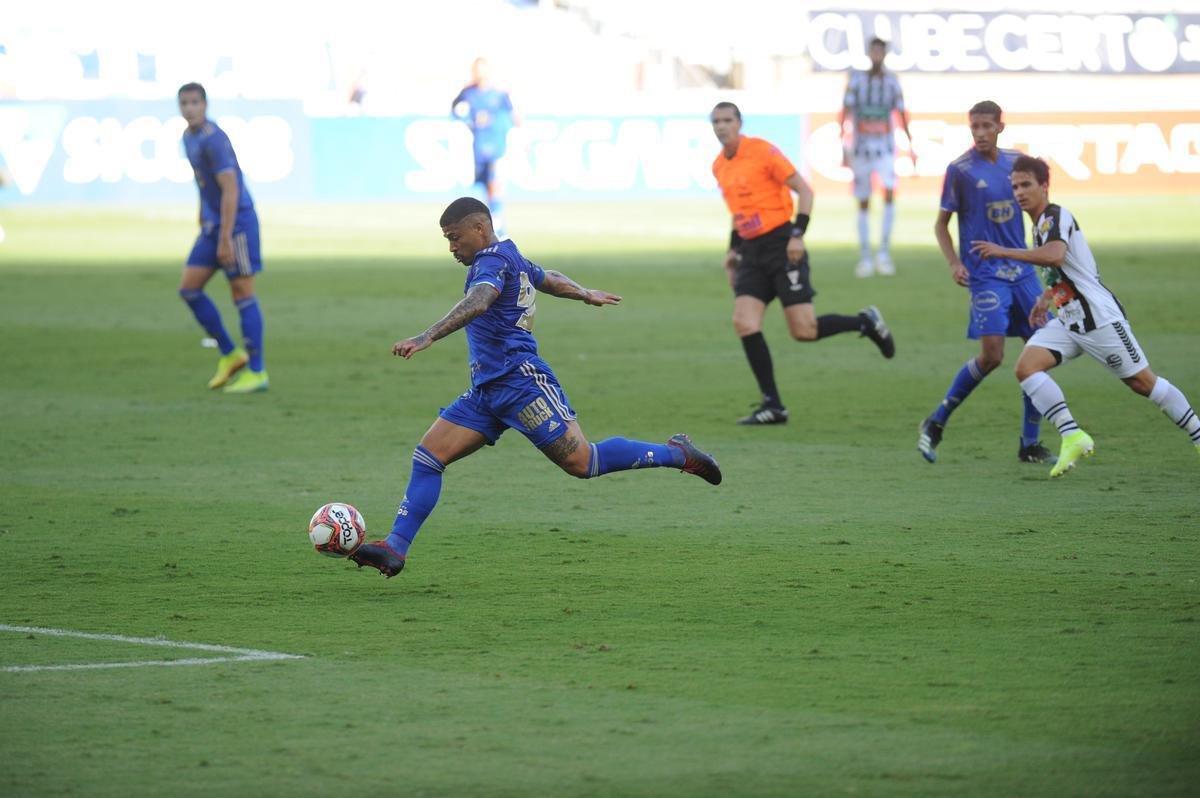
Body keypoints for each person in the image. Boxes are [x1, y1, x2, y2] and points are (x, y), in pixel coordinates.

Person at [349, 197, 722, 578]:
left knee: (584, 463)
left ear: (480, 229)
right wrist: (584, 292)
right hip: (487, 391)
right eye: (447, 239)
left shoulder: (491, 263)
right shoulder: (509, 255)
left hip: (522, 384)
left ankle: (678, 454)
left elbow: (479, 301)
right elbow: (547, 278)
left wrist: (427, 336)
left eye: (455, 237)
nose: (451, 247)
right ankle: (396, 546)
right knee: (428, 457)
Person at [970, 156, 1200, 476]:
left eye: (1026, 185)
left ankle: (1198, 434)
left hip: (1098, 318)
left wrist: (1003, 250)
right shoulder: (1038, 226)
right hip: (1069, 320)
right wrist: (1045, 298)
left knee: (1142, 382)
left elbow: (1055, 255)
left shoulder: (1056, 215)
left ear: (1044, 186)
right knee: (1026, 367)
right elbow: (1060, 269)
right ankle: (1072, 435)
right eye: (1015, 186)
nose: (1019, 192)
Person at [709, 101, 895, 426]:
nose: (721, 126)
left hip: (783, 245)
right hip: (751, 252)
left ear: (739, 122)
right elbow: (740, 212)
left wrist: (798, 235)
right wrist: (732, 250)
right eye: (716, 121)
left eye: (727, 120)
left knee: (804, 331)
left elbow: (805, 191)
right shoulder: (718, 165)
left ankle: (865, 322)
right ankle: (773, 405)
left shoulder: (763, 151)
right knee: (745, 322)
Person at [918, 100, 1051, 463]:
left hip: (1022, 272)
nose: (979, 133)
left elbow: (1038, 209)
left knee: (1039, 354)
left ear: (1000, 127)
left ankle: (1030, 444)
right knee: (992, 356)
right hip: (985, 274)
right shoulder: (959, 170)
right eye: (974, 126)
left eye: (986, 126)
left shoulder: (1017, 163)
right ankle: (937, 421)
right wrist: (953, 263)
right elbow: (940, 225)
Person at [176, 82, 268, 394]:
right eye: (184, 103)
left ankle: (257, 372)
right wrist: (203, 215)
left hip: (237, 225)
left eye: (194, 102)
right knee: (189, 289)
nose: (189, 108)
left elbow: (230, 187)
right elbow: (205, 184)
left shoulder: (215, 140)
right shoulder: (188, 138)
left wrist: (226, 236)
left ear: (205, 104)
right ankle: (231, 354)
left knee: (242, 293)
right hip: (213, 226)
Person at [839, 37, 915, 278]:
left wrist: (910, 146)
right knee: (863, 200)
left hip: (885, 148)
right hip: (861, 149)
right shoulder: (857, 80)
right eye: (873, 50)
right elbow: (846, 112)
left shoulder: (892, 81)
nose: (876, 55)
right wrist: (843, 144)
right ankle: (865, 257)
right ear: (868, 52)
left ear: (885, 53)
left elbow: (901, 112)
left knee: (890, 193)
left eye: (880, 50)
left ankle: (883, 253)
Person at [451, 58, 517, 234]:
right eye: (477, 70)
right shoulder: (468, 92)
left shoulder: (499, 93)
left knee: (495, 182)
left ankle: (498, 224)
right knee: (486, 185)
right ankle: (495, 223)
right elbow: (454, 111)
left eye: (483, 69)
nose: (480, 73)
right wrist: (470, 121)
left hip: (497, 143)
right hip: (479, 145)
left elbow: (513, 115)